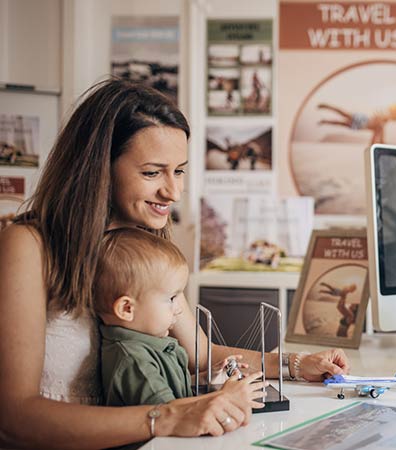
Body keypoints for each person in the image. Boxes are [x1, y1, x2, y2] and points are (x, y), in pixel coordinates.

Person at [0, 78, 350, 449]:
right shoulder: (28, 246)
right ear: (99, 168)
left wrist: (296, 365)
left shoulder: (144, 245)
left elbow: (199, 355)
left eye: (179, 171)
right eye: (152, 173)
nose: (173, 192)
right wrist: (167, 417)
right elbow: (15, 416)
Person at [94, 228, 262, 408]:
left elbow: (168, 388)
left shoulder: (149, 345)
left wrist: (205, 377)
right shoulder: (134, 362)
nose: (178, 310)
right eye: (171, 299)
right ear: (127, 309)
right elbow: (171, 413)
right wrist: (225, 397)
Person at [317, 102, 396, 145]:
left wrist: (375, 144)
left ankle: (325, 120)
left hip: (360, 125)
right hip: (361, 121)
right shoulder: (382, 122)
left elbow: (377, 137)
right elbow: (378, 135)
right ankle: (326, 108)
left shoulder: (381, 125)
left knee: (341, 122)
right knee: (343, 115)